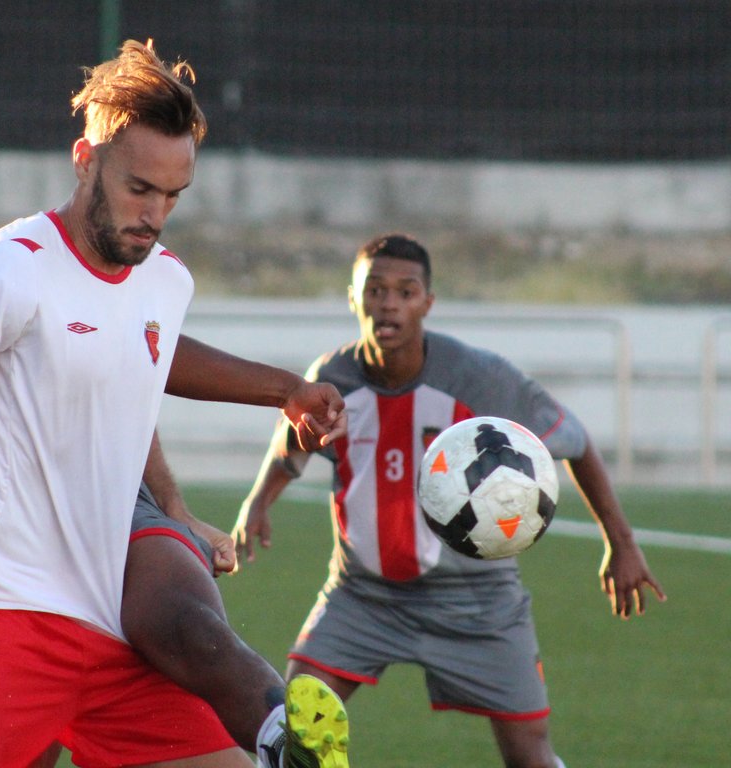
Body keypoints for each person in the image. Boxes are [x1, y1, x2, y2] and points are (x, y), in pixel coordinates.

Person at [0, 40, 350, 768]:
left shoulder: (164, 278)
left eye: (173, 196)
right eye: (139, 189)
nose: (155, 214)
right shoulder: (8, 268)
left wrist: (286, 391)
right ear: (85, 160)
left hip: (102, 626)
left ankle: (272, 735)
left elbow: (149, 347)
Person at [233, 232, 667, 768]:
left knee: (530, 755)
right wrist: (259, 500)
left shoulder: (481, 379)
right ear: (353, 298)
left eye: (406, 292)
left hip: (477, 600)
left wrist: (621, 543)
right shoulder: (332, 377)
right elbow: (292, 443)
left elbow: (575, 442)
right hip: (363, 594)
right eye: (375, 290)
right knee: (298, 725)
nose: (388, 303)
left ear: (428, 303)